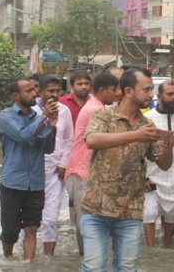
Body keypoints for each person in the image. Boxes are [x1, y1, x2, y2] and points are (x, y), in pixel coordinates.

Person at [80, 68, 174, 272]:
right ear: (129, 91)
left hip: (130, 211)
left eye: (152, 90)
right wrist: (134, 136)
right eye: (147, 89)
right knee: (94, 267)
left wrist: (168, 145)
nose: (151, 94)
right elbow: (92, 140)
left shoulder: (148, 125)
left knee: (127, 268)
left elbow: (164, 164)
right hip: (97, 207)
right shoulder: (104, 115)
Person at [0, 77, 57, 260]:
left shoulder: (38, 117)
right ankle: (7, 261)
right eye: (29, 91)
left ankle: (29, 266)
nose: (35, 93)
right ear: (16, 96)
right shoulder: (6, 116)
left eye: (35, 90)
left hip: (36, 183)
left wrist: (51, 128)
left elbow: (48, 149)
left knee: (32, 227)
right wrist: (45, 119)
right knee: (10, 232)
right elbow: (24, 136)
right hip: (13, 182)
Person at [64, 72, 119, 256]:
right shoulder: (98, 110)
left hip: (83, 171)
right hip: (82, 171)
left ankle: (87, 259)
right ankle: (87, 260)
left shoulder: (96, 106)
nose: (116, 93)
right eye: (114, 90)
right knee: (86, 222)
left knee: (88, 221)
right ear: (102, 90)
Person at [31, 75, 74, 256]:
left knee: (50, 219)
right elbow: (28, 136)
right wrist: (45, 116)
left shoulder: (64, 111)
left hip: (55, 172)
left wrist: (64, 163)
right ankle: (27, 257)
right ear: (39, 92)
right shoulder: (30, 110)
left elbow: (69, 140)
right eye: (51, 91)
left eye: (58, 91)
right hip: (32, 171)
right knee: (29, 222)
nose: (55, 95)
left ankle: (48, 258)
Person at [143, 81, 174, 247]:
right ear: (159, 96)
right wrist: (143, 177)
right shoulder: (148, 119)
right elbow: (140, 150)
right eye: (169, 94)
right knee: (148, 214)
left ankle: (166, 247)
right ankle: (150, 250)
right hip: (152, 178)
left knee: (171, 216)